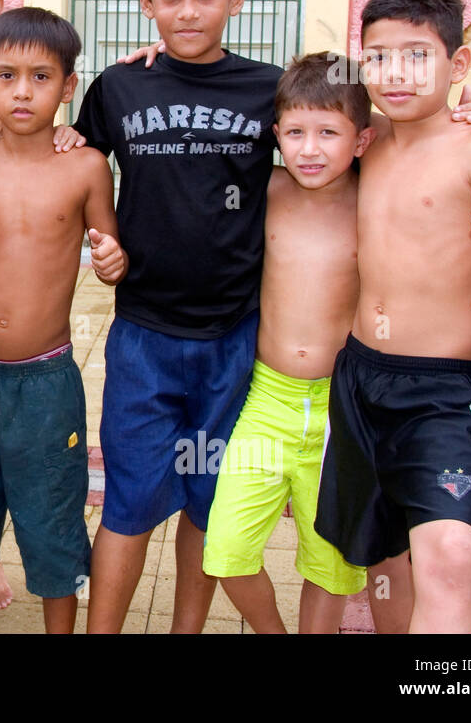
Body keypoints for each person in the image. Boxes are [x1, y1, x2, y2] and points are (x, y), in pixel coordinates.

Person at [71, 0, 283, 634]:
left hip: (235, 340)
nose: (187, 10)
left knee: (211, 501)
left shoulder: (271, 91)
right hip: (142, 337)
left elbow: (343, 145)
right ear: (145, 2)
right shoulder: (119, 88)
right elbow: (63, 157)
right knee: (128, 501)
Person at [314, 0, 471, 633]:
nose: (395, 72)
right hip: (358, 381)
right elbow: (288, 104)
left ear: (460, 64)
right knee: (385, 567)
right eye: (379, 56)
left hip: (443, 394)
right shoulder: (366, 139)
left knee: (449, 554)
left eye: (417, 55)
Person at [0, 7, 128, 633]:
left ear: (68, 86)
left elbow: (110, 257)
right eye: (8, 76)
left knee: (53, 520)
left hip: (46, 384)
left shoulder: (85, 167)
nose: (24, 91)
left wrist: (111, 259)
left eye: (41, 77)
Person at [200, 52, 374, 632]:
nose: (310, 148)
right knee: (226, 549)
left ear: (361, 140)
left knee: (329, 566)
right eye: (295, 132)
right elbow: (205, 127)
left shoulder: (373, 200)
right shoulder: (269, 189)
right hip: (267, 403)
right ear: (276, 137)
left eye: (329, 133)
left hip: (340, 411)